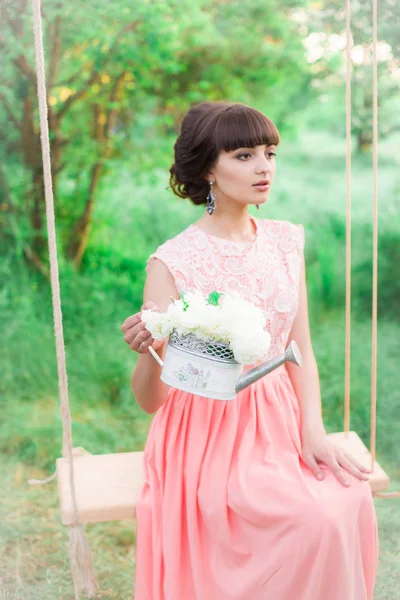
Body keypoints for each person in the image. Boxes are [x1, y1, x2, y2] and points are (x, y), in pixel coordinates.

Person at [121, 101, 378, 600]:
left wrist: (314, 431)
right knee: (311, 520)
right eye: (243, 155)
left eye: (269, 152)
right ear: (209, 170)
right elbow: (152, 401)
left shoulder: (285, 242)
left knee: (345, 498)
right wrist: (146, 352)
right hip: (208, 429)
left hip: (280, 418)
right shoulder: (172, 262)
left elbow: (298, 347)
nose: (264, 167)